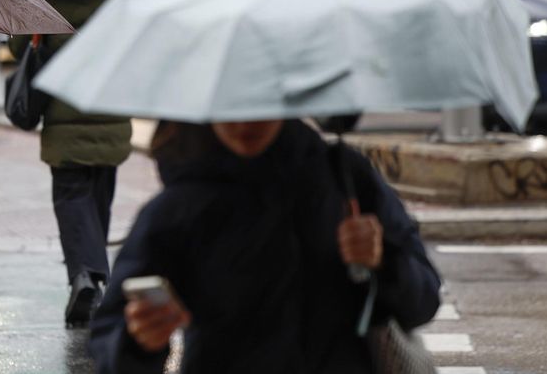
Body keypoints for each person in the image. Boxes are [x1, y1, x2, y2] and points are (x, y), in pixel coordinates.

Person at [89, 120, 442, 373]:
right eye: (231, 104)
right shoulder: (177, 210)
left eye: (257, 100)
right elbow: (110, 342)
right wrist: (139, 339)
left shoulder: (343, 178)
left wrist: (385, 261)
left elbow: (423, 301)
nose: (246, 122)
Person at [7, 0, 133, 327]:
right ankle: (94, 276)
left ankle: (86, 276)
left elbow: (18, 46)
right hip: (111, 110)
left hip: (63, 114)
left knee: (70, 197)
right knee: (98, 201)